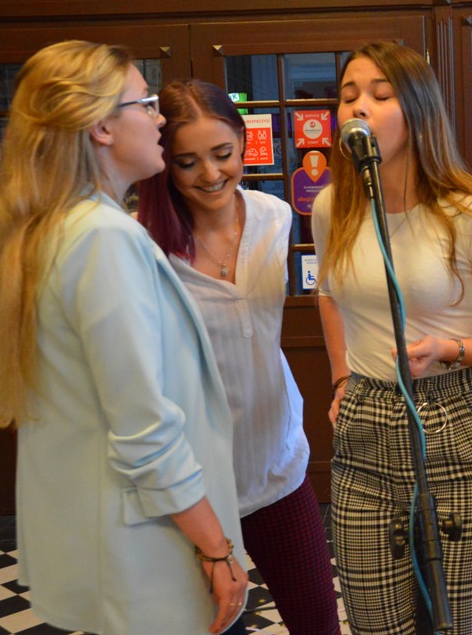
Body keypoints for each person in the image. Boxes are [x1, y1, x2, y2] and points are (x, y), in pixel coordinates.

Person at [0, 41, 248, 635]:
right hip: (144, 540)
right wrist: (216, 548)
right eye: (145, 103)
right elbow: (143, 426)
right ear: (101, 126)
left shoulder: (57, 225)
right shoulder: (103, 237)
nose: (159, 120)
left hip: (107, 532)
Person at [312, 41, 472, 635]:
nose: (359, 108)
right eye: (348, 96)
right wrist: (341, 376)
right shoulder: (334, 205)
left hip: (456, 419)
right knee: (375, 623)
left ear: (417, 111)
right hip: (365, 426)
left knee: (460, 623)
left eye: (380, 95)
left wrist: (450, 349)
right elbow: (329, 292)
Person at [137, 78, 341, 635]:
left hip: (276, 460)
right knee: (212, 626)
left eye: (223, 153)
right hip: (192, 483)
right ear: (164, 165)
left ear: (243, 144)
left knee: (318, 622)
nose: (210, 174)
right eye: (187, 162)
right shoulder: (145, 247)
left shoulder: (276, 217)